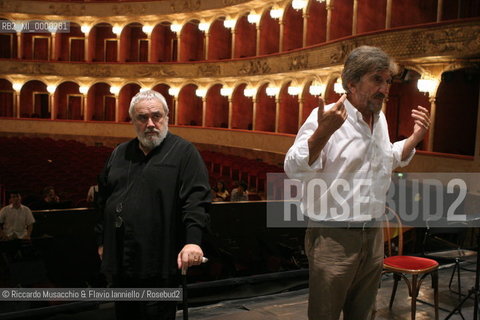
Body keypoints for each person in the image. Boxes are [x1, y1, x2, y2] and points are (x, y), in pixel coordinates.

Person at [284, 46, 430, 320]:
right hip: (333, 237)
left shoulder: (380, 119)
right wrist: (322, 133)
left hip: (374, 234)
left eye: (388, 81)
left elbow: (386, 159)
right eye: (377, 79)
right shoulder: (328, 116)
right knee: (324, 314)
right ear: (351, 82)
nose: (385, 88)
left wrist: (414, 139)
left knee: (363, 313)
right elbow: (293, 167)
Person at [95, 89, 210, 320]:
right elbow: (103, 199)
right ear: (132, 121)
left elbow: (196, 201)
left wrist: (193, 243)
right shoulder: (119, 153)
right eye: (142, 118)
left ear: (167, 117)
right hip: (121, 260)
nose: (150, 123)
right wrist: (101, 241)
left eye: (156, 116)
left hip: (160, 262)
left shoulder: (184, 152)